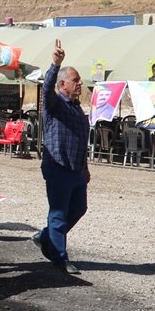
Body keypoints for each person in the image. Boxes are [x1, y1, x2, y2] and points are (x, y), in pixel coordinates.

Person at [32, 39, 88, 275]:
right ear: (63, 84)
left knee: (78, 209)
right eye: (76, 80)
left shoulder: (76, 108)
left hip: (76, 170)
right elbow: (46, 89)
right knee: (58, 212)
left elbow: (81, 140)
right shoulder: (54, 104)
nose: (80, 84)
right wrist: (55, 64)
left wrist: (84, 168)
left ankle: (45, 237)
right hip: (58, 167)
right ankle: (59, 256)